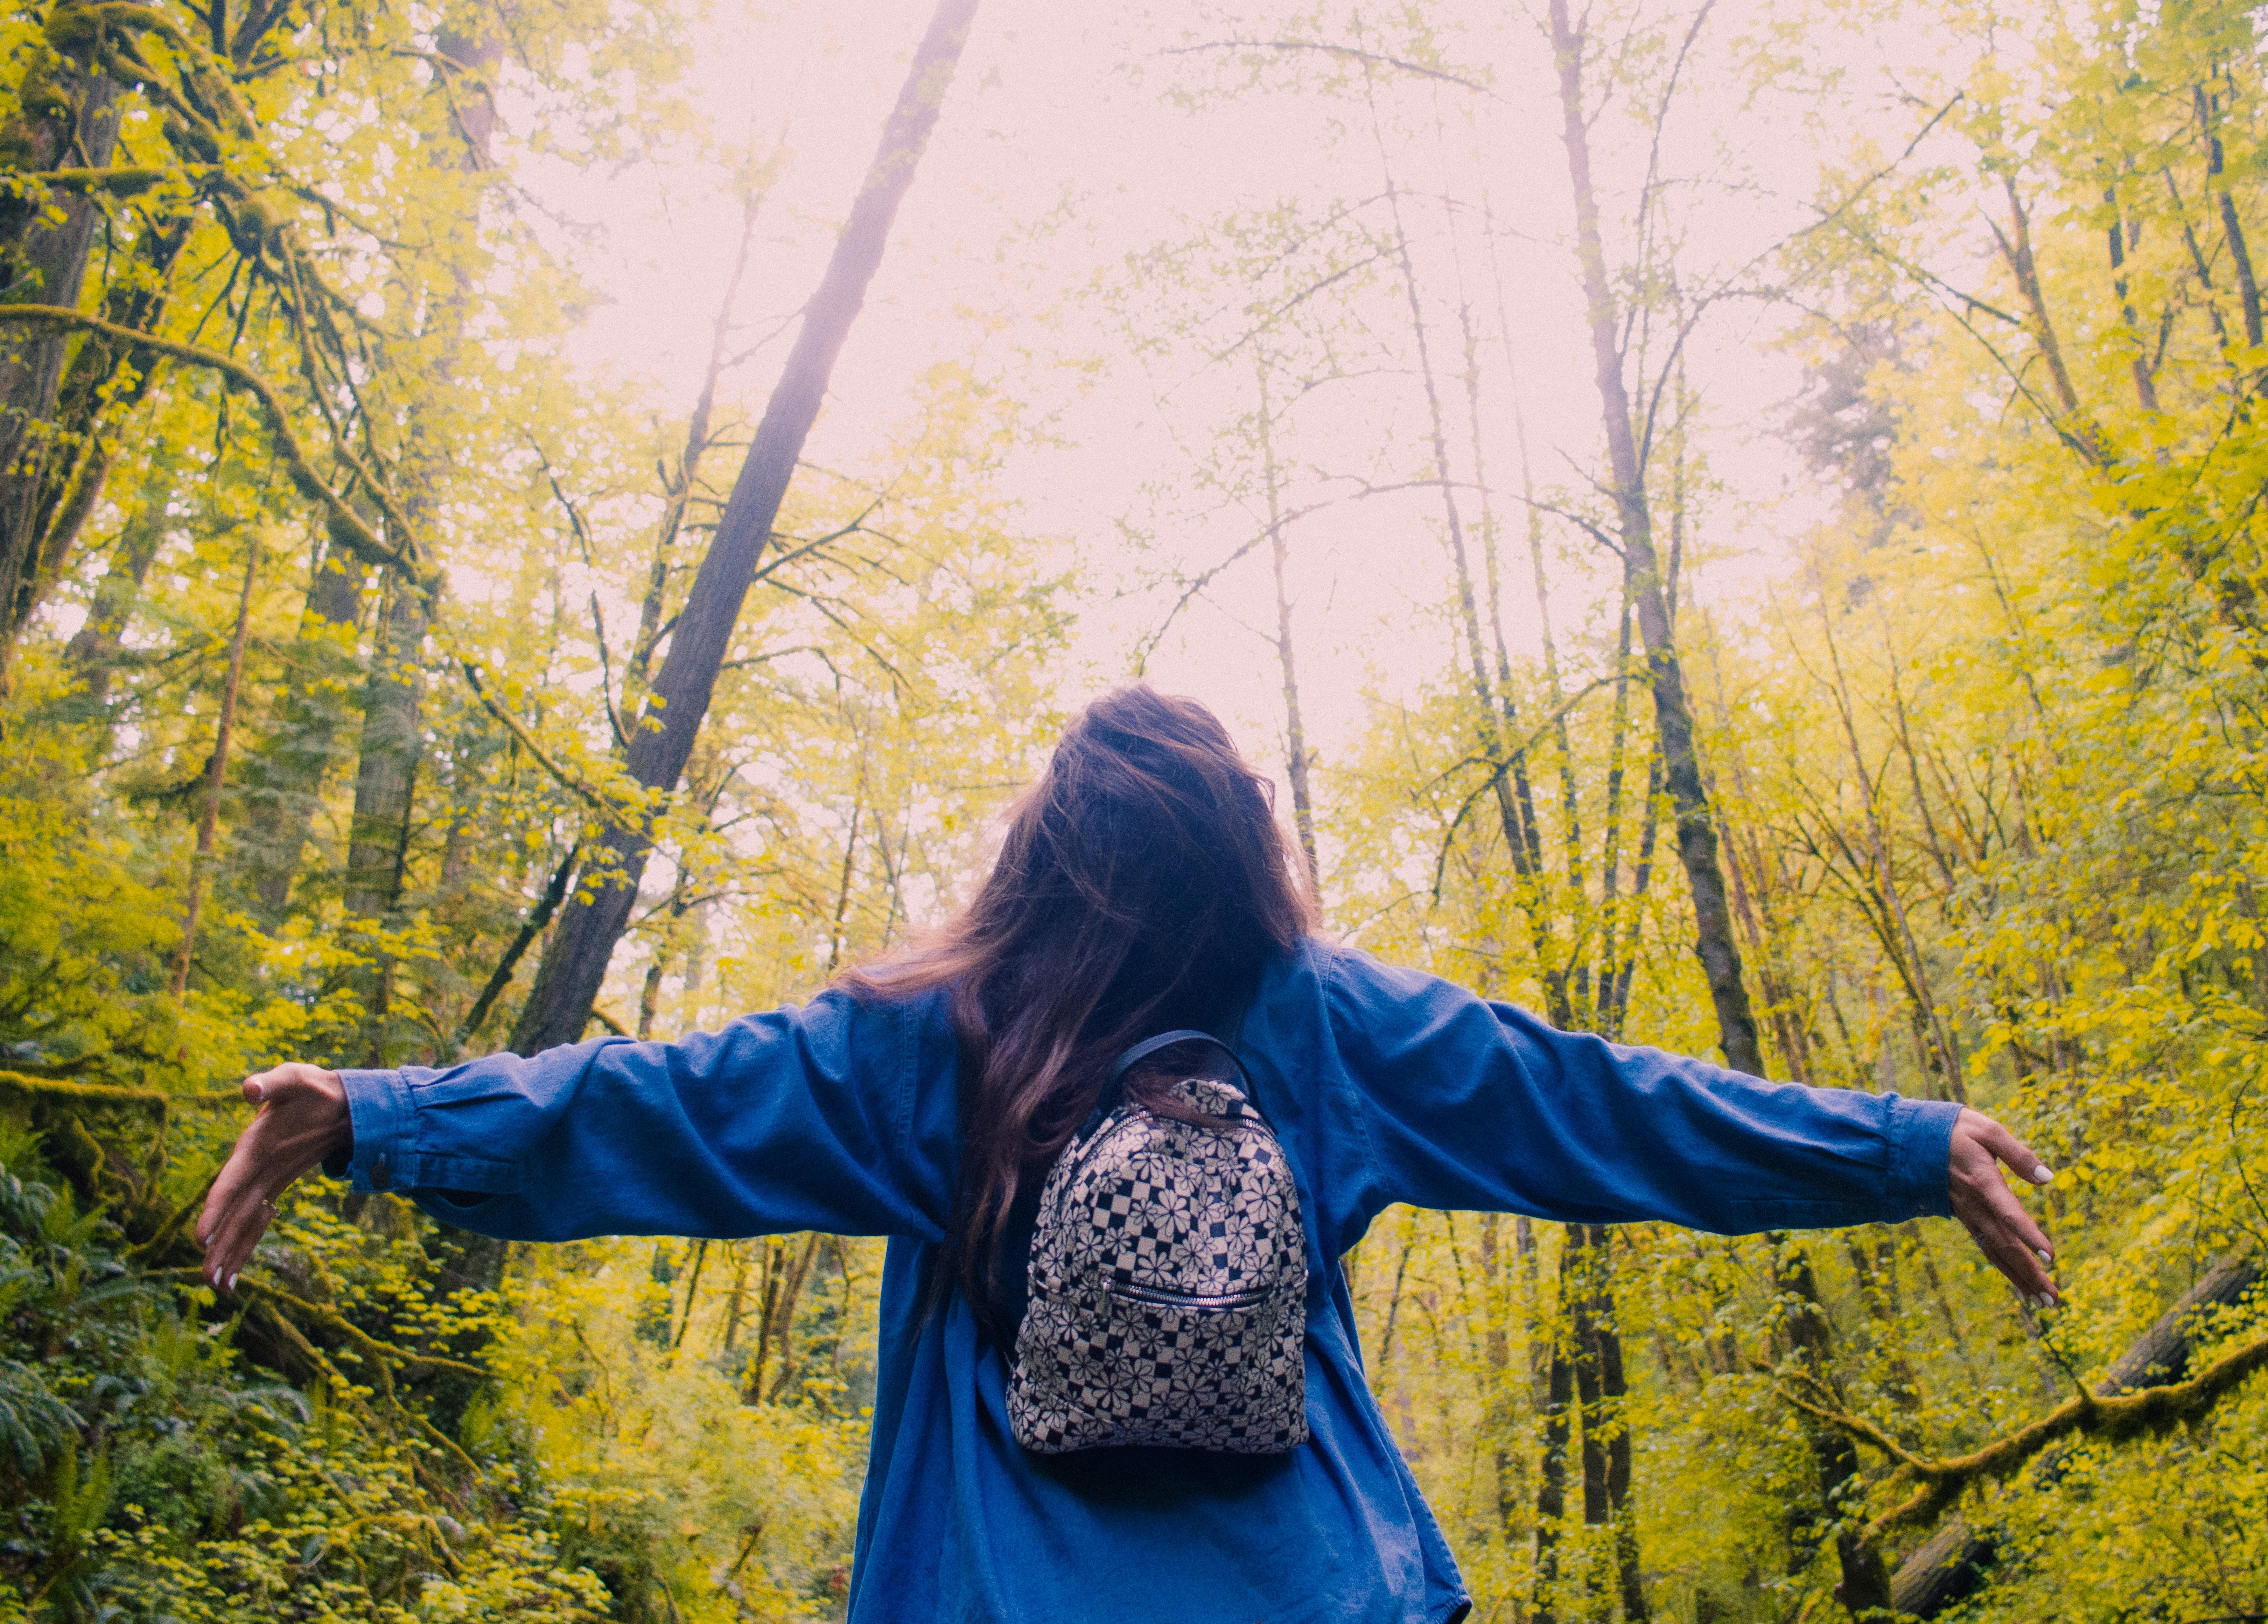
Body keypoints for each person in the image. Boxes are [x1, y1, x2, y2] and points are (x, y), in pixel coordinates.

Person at [198, 685, 2059, 1624]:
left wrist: (376, 1115)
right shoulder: (1331, 1026)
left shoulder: (919, 1040)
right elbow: (1611, 1108)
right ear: (1243, 843)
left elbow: (653, 1109)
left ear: (1042, 845)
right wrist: (1899, 1145)